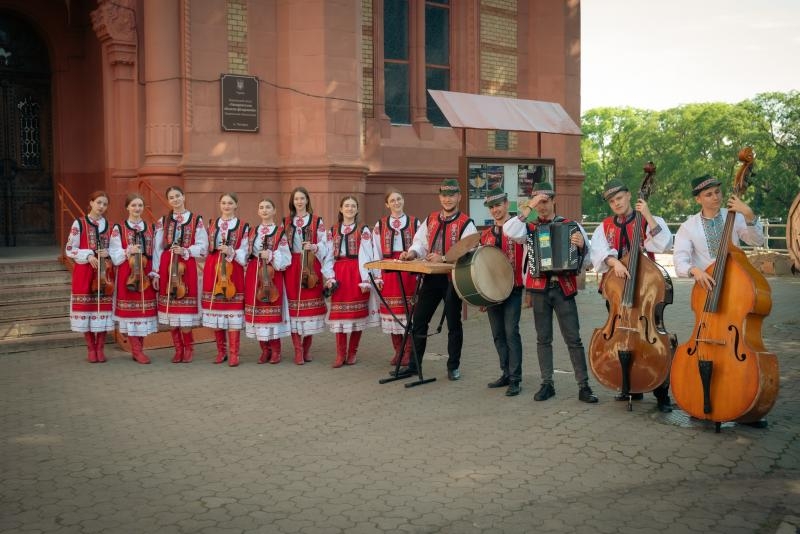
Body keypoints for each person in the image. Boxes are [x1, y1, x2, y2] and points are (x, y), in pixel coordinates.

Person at [503, 181, 598, 403]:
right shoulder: (527, 227)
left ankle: (584, 386)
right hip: (539, 290)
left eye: (545, 201)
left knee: (573, 339)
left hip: (563, 288)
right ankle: (547, 384)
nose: (542, 207)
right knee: (543, 339)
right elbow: (508, 231)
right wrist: (530, 205)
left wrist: (582, 246)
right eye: (538, 203)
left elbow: (590, 261)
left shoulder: (571, 225)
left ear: (554, 201)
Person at [589, 179, 674, 412]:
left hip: (647, 289)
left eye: (619, 198)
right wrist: (613, 261)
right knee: (620, 336)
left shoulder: (646, 219)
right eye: (612, 201)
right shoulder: (604, 226)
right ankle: (629, 386)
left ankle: (661, 393)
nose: (616, 203)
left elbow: (665, 243)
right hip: (618, 292)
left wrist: (647, 215)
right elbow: (597, 252)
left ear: (628, 196)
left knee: (657, 341)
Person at [396, 178, 478, 381]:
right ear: (439, 197)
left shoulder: (466, 223)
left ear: (458, 197)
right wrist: (412, 254)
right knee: (419, 321)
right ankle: (414, 366)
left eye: (451, 195)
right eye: (444, 195)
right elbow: (420, 243)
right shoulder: (431, 218)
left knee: (453, 323)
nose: (448, 199)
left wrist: (443, 258)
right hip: (432, 279)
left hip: (453, 280)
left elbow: (468, 250)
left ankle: (453, 367)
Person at [674, 174, 764, 288]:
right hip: (707, 285)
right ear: (698, 199)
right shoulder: (687, 227)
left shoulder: (735, 216)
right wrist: (695, 271)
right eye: (709, 194)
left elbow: (757, 241)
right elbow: (680, 262)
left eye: (717, 192)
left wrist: (749, 214)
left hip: (737, 280)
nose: (715, 197)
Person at [152, 186, 209, 363]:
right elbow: (157, 248)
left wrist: (185, 250)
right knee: (171, 311)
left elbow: (203, 247)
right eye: (171, 197)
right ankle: (178, 349)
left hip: (186, 264)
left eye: (178, 196)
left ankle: (188, 349)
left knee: (184, 310)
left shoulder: (195, 220)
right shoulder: (163, 220)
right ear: (168, 201)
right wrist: (155, 272)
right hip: (167, 265)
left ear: (184, 197)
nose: (175, 199)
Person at [325, 195, 380, 367]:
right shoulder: (332, 230)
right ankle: (340, 354)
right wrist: (329, 276)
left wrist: (366, 279)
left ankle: (352, 352)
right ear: (341, 209)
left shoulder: (362, 230)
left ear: (357, 210)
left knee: (356, 314)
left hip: (357, 271)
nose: (349, 208)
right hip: (339, 272)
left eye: (353, 206)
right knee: (339, 315)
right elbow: (327, 255)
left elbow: (367, 254)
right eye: (346, 206)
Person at [480, 188, 525, 396]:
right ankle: (505, 373)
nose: (495, 210)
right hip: (491, 292)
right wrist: (481, 294)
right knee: (498, 334)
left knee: (511, 332)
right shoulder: (486, 236)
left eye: (498, 205)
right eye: (491, 207)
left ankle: (516, 379)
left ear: (507, 204)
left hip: (514, 289)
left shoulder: (519, 229)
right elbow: (481, 266)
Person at [283, 186, 333, 365]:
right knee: (293, 307)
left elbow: (325, 245)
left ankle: (307, 347)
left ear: (307, 201)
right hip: (292, 265)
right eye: (296, 199)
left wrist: (314, 247)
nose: (299, 201)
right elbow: (281, 246)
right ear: (292, 201)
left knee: (310, 306)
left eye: (302, 198)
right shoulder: (286, 221)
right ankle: (297, 349)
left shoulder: (317, 221)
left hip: (310, 263)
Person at [65, 190, 115, 363]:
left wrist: (107, 252)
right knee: (86, 310)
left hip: (104, 273)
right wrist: (88, 255)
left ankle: (100, 348)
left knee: (102, 310)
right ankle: (91, 348)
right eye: (99, 202)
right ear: (91, 203)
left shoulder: (109, 225)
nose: (101, 207)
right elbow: (70, 249)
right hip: (85, 271)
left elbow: (115, 248)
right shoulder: (79, 223)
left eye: (105, 204)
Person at [371, 188, 420, 366]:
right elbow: (376, 250)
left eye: (399, 199)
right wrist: (378, 275)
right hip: (389, 271)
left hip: (409, 271)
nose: (396, 203)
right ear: (387, 204)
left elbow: (421, 245)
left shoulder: (415, 222)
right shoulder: (380, 224)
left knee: (408, 313)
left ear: (403, 200)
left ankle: (408, 351)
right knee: (392, 313)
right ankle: (398, 350)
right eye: (392, 200)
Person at [109, 193, 158, 364]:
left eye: (140, 206)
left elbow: (156, 252)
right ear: (127, 207)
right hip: (127, 273)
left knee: (143, 312)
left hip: (146, 273)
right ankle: (137, 351)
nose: (137, 209)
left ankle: (139, 349)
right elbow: (114, 254)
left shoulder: (151, 228)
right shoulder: (119, 228)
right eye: (134, 205)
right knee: (131, 312)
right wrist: (128, 251)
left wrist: (155, 272)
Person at [202, 193, 249, 367]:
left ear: (236, 205)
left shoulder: (243, 226)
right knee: (217, 310)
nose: (227, 206)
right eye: (223, 203)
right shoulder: (211, 224)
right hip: (213, 267)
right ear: (219, 204)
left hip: (232, 267)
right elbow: (204, 247)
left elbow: (245, 252)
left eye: (230, 203)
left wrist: (231, 251)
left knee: (233, 309)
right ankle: (221, 351)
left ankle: (234, 353)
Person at [244, 198, 292, 364]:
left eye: (268, 207)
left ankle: (276, 350)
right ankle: (264, 350)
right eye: (261, 207)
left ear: (274, 211)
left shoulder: (279, 233)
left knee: (271, 310)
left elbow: (286, 258)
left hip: (272, 274)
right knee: (257, 311)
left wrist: (271, 255)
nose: (264, 210)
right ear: (258, 211)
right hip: (254, 273)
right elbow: (244, 253)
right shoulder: (252, 231)